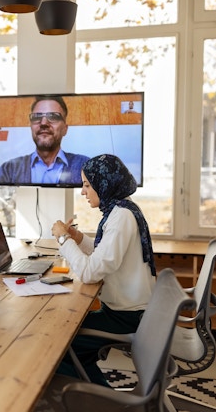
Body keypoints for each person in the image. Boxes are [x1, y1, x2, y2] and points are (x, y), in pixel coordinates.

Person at [50, 153, 157, 386]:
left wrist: (63, 239)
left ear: (103, 183)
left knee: (59, 346)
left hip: (127, 317)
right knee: (74, 343)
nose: (82, 191)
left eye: (87, 185)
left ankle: (97, 400)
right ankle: (100, 396)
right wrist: (78, 238)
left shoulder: (121, 217)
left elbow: (89, 273)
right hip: (127, 311)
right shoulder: (121, 210)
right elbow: (105, 257)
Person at [0, 95, 89, 185]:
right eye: (37, 117)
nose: (43, 123)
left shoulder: (85, 166)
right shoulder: (10, 169)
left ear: (65, 129)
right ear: (31, 127)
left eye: (53, 116)